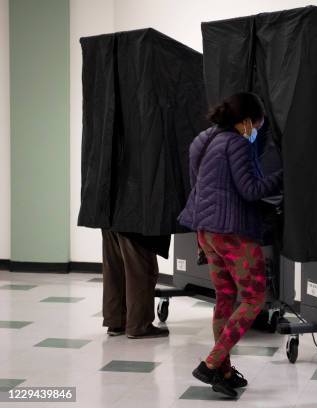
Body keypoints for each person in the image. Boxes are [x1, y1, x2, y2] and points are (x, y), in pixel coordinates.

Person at [178, 92, 283, 398]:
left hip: (206, 232)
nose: (256, 132)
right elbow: (251, 191)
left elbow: (199, 186)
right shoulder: (237, 144)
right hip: (233, 233)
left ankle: (224, 371)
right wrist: (284, 176)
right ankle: (211, 364)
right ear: (247, 121)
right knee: (253, 298)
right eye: (258, 126)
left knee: (225, 297)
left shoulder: (202, 139)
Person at [102, 232, 170, 339]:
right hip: (133, 219)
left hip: (107, 217)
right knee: (139, 266)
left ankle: (117, 322)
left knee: (115, 268)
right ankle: (139, 326)